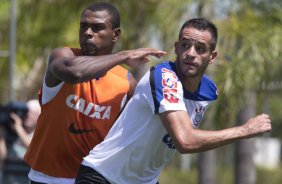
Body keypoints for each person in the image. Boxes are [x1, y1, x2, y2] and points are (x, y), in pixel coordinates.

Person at [75, 18, 272, 184]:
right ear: (176, 48)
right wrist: (245, 130)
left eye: (200, 48)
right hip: (103, 176)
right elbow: (185, 141)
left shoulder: (210, 92)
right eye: (185, 45)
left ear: (211, 57)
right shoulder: (164, 78)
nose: (191, 53)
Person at [24, 2, 166, 184]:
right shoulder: (63, 57)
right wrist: (123, 55)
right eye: (84, 26)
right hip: (48, 178)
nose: (88, 33)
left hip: (95, 179)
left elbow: (130, 137)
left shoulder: (127, 83)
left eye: (97, 28)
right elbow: (74, 73)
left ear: (115, 35)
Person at [0, 99, 40, 184]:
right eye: (27, 111)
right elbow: (2, 158)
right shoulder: (11, 132)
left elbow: (34, 149)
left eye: (33, 113)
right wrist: (2, 134)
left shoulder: (40, 135)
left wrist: (19, 129)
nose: (29, 115)